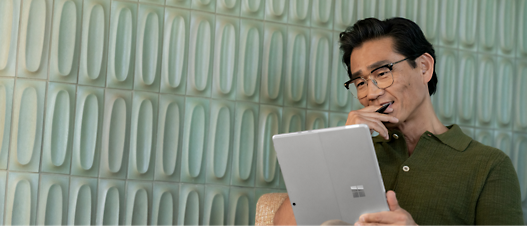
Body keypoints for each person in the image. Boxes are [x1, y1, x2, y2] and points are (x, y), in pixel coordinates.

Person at [273, 17, 524, 226]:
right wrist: (343, 145)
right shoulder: (354, 151)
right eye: (360, 82)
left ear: (424, 67)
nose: (370, 93)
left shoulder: (489, 165)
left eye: (382, 73)